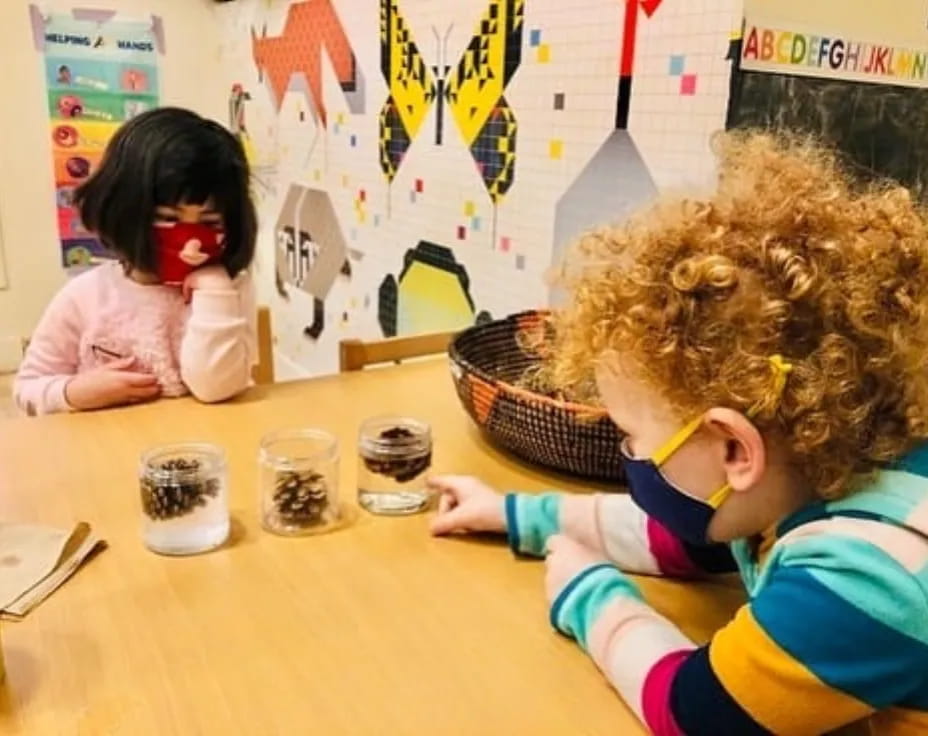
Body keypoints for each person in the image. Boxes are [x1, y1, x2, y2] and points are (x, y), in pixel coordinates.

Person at [429, 133, 928, 735]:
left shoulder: (865, 574)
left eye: (634, 435)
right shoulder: (806, 463)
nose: (630, 454)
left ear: (735, 449)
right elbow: (689, 543)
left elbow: (691, 713)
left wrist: (589, 596)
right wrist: (516, 515)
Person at [15, 107, 257, 415]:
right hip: (108, 449)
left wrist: (215, 291)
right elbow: (27, 388)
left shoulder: (230, 289)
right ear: (124, 212)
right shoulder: (85, 297)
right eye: (168, 218)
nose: (193, 243)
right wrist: (74, 393)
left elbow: (216, 389)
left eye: (209, 223)